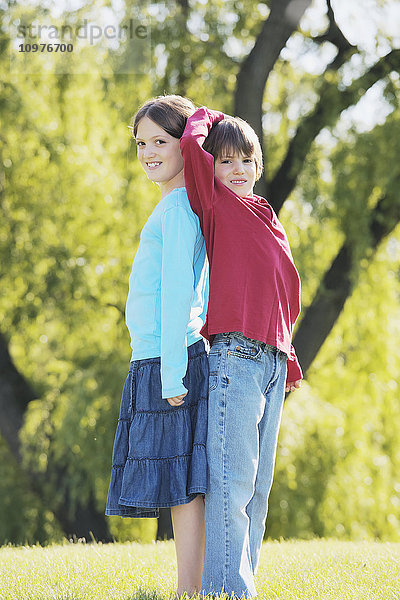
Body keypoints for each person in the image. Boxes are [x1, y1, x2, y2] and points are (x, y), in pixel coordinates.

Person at [180, 107, 303, 598]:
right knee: (232, 482)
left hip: (272, 361)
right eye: (225, 160)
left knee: (257, 489)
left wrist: (288, 357)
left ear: (258, 165)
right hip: (235, 357)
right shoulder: (214, 205)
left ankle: (235, 585)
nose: (235, 169)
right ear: (211, 169)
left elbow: (283, 292)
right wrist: (211, 116)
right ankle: (231, 591)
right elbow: (191, 144)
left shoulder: (269, 218)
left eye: (245, 160)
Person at [105, 95, 209, 597]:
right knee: (181, 487)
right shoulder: (179, 206)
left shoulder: (177, 209)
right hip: (165, 358)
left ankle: (192, 589)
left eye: (160, 141)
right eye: (141, 142)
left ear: (184, 145)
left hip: (169, 362)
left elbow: (177, 297)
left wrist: (172, 376)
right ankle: (191, 587)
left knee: (185, 488)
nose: (148, 152)